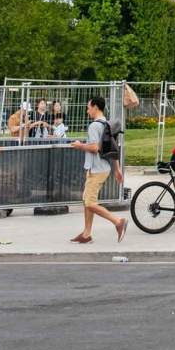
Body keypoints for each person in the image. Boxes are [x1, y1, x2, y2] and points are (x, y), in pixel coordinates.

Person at [69, 95, 127, 243]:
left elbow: (95, 148)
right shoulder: (107, 124)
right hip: (101, 168)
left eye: (88, 107)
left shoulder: (94, 125)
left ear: (95, 107)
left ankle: (118, 222)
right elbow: (113, 149)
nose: (87, 110)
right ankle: (86, 234)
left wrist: (79, 145)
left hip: (96, 169)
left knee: (89, 202)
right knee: (86, 200)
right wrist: (117, 169)